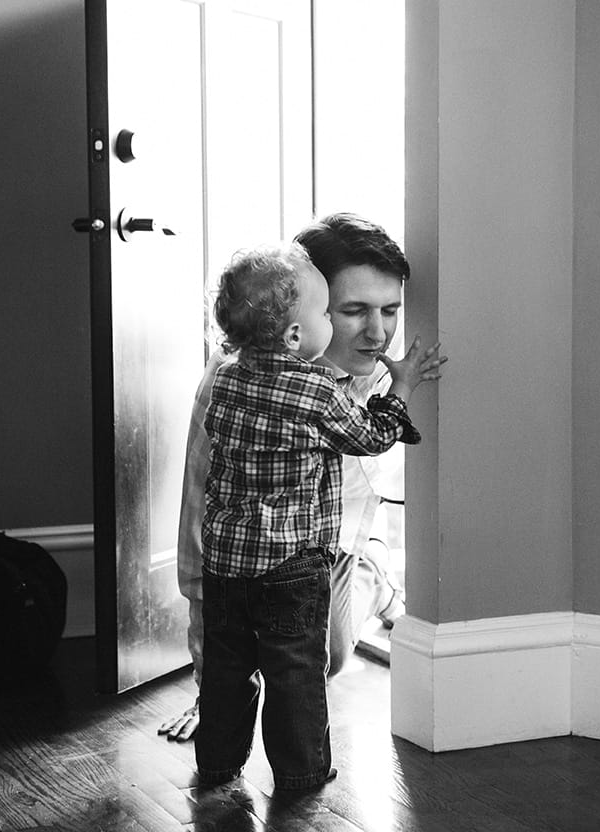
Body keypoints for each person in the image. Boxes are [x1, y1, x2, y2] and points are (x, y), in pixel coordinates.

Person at [161, 213, 422, 742]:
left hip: (335, 542)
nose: (378, 333)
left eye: (390, 310)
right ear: (301, 314)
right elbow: (198, 514)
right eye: (352, 311)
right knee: (260, 658)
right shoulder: (233, 380)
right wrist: (212, 688)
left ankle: (373, 572)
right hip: (255, 555)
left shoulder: (386, 370)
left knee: (323, 660)